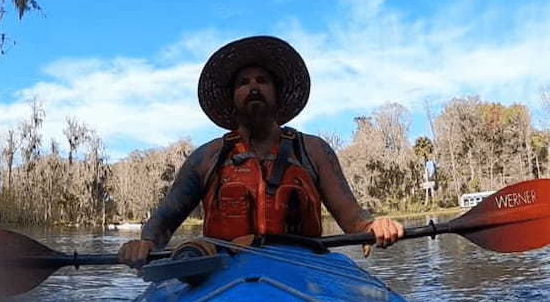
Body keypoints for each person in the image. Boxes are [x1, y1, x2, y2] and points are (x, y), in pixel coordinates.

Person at [118, 35, 404, 266]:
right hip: (225, 270)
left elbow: (353, 218)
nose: (253, 87)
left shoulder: (314, 150)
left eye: (262, 81)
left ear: (277, 95)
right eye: (244, 83)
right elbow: (163, 221)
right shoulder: (205, 158)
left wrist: (373, 226)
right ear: (233, 100)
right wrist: (147, 243)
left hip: (302, 267)